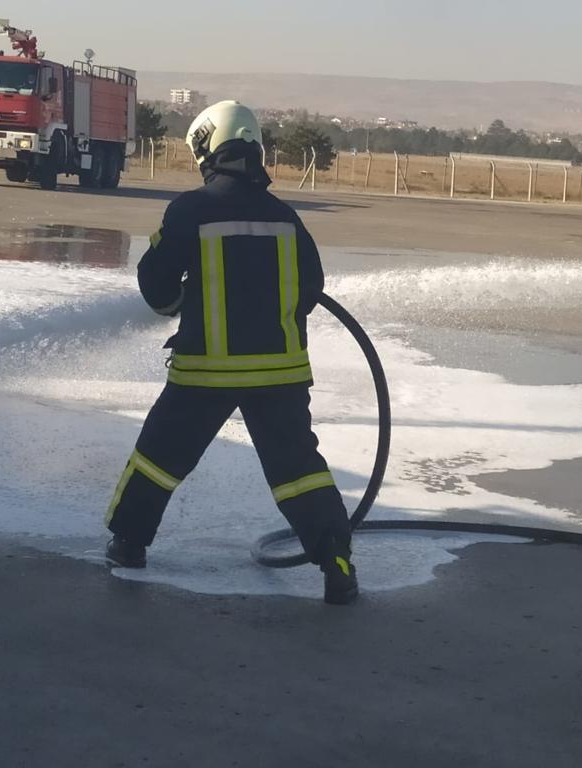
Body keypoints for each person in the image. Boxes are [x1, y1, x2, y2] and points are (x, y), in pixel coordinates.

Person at [104, 101, 358, 605]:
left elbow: (155, 283)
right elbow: (310, 290)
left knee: (159, 457)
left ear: (206, 148)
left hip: (205, 372)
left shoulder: (191, 210)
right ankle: (337, 563)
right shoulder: (287, 218)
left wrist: (181, 303)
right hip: (280, 374)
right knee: (297, 469)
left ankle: (129, 544)